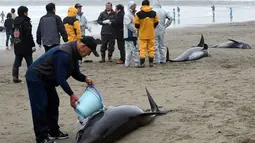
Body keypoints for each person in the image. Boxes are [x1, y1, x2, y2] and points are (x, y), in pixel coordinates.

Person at [25, 36, 100, 143]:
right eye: (89, 51)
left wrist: (85, 78)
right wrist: (71, 94)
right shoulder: (64, 54)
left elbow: (75, 72)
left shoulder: (74, 53)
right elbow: (60, 78)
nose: (89, 54)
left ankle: (53, 131)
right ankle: (42, 138)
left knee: (53, 102)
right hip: (36, 77)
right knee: (40, 106)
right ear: (84, 46)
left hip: (47, 78)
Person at [12, 6, 35, 83]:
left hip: (17, 43)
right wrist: (32, 44)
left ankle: (15, 76)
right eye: (27, 12)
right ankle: (31, 76)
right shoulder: (26, 21)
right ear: (25, 13)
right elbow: (28, 35)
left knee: (17, 60)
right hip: (26, 45)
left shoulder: (15, 21)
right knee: (30, 62)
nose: (27, 13)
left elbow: (13, 34)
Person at [134, 0, 159, 67]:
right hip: (151, 34)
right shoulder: (154, 13)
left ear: (142, 5)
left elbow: (136, 24)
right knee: (151, 48)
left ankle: (142, 63)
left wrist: (140, 28)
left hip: (142, 34)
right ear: (149, 4)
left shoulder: (138, 14)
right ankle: (151, 63)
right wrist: (152, 27)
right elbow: (157, 22)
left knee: (142, 49)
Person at [153, 0, 172, 64]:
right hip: (162, 30)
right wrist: (166, 25)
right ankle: (163, 59)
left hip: (153, 30)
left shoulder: (152, 11)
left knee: (155, 45)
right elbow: (171, 18)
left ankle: (156, 60)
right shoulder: (164, 10)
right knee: (162, 45)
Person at [123, 1, 139, 67]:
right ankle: (136, 63)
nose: (135, 6)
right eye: (134, 5)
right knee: (133, 49)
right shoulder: (128, 14)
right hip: (130, 34)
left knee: (129, 50)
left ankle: (127, 63)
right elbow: (128, 24)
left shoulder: (132, 14)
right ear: (130, 6)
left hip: (130, 34)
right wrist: (135, 30)